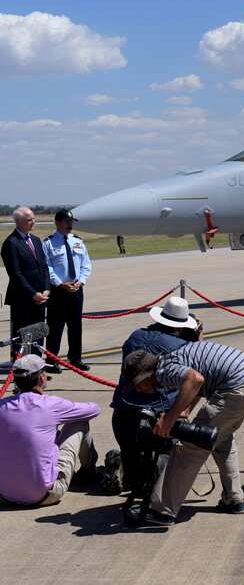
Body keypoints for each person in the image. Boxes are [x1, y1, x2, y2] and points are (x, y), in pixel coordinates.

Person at [121, 340, 244, 525]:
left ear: (145, 377)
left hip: (237, 386)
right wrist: (185, 410)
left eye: (137, 386)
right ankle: (233, 498)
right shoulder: (171, 358)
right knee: (219, 439)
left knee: (192, 446)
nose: (139, 390)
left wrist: (170, 418)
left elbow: (195, 379)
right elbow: (200, 378)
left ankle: (162, 511)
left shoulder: (164, 371)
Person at [108, 297, 201, 495]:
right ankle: (149, 474)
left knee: (132, 455)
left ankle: (123, 466)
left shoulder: (135, 336)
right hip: (158, 414)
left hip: (123, 411)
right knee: (166, 459)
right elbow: (194, 380)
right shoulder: (183, 346)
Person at [0, 354, 100, 506]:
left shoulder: (2, 406)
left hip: (5, 495)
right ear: (41, 378)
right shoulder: (50, 405)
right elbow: (94, 409)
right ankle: (88, 471)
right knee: (79, 422)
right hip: (44, 495)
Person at [42, 208, 92, 374]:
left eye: (71, 222)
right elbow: (46, 267)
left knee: (75, 326)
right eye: (66, 221)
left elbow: (86, 264)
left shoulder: (78, 241)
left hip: (76, 290)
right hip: (59, 291)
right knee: (55, 327)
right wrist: (59, 283)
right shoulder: (48, 243)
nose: (70, 225)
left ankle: (75, 359)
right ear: (58, 222)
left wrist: (81, 281)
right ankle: (52, 361)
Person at [1, 206, 49, 361]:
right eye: (29, 220)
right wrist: (33, 293)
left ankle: (36, 367)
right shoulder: (11, 243)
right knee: (22, 338)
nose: (33, 222)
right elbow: (16, 274)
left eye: (34, 218)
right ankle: (22, 370)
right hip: (23, 299)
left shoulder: (35, 240)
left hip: (40, 298)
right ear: (18, 222)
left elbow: (44, 266)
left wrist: (46, 290)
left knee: (38, 335)